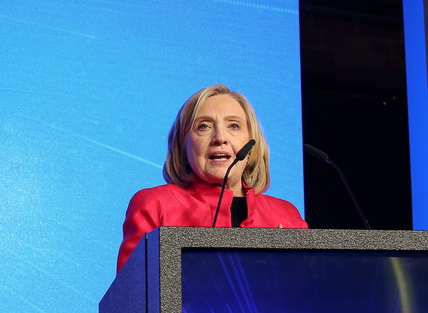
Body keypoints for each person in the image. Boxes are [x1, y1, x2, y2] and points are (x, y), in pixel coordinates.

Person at [117, 84, 307, 271]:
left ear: (252, 146)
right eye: (204, 126)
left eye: (233, 125)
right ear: (183, 146)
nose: (219, 138)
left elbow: (310, 285)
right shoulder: (155, 205)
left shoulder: (285, 215)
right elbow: (133, 288)